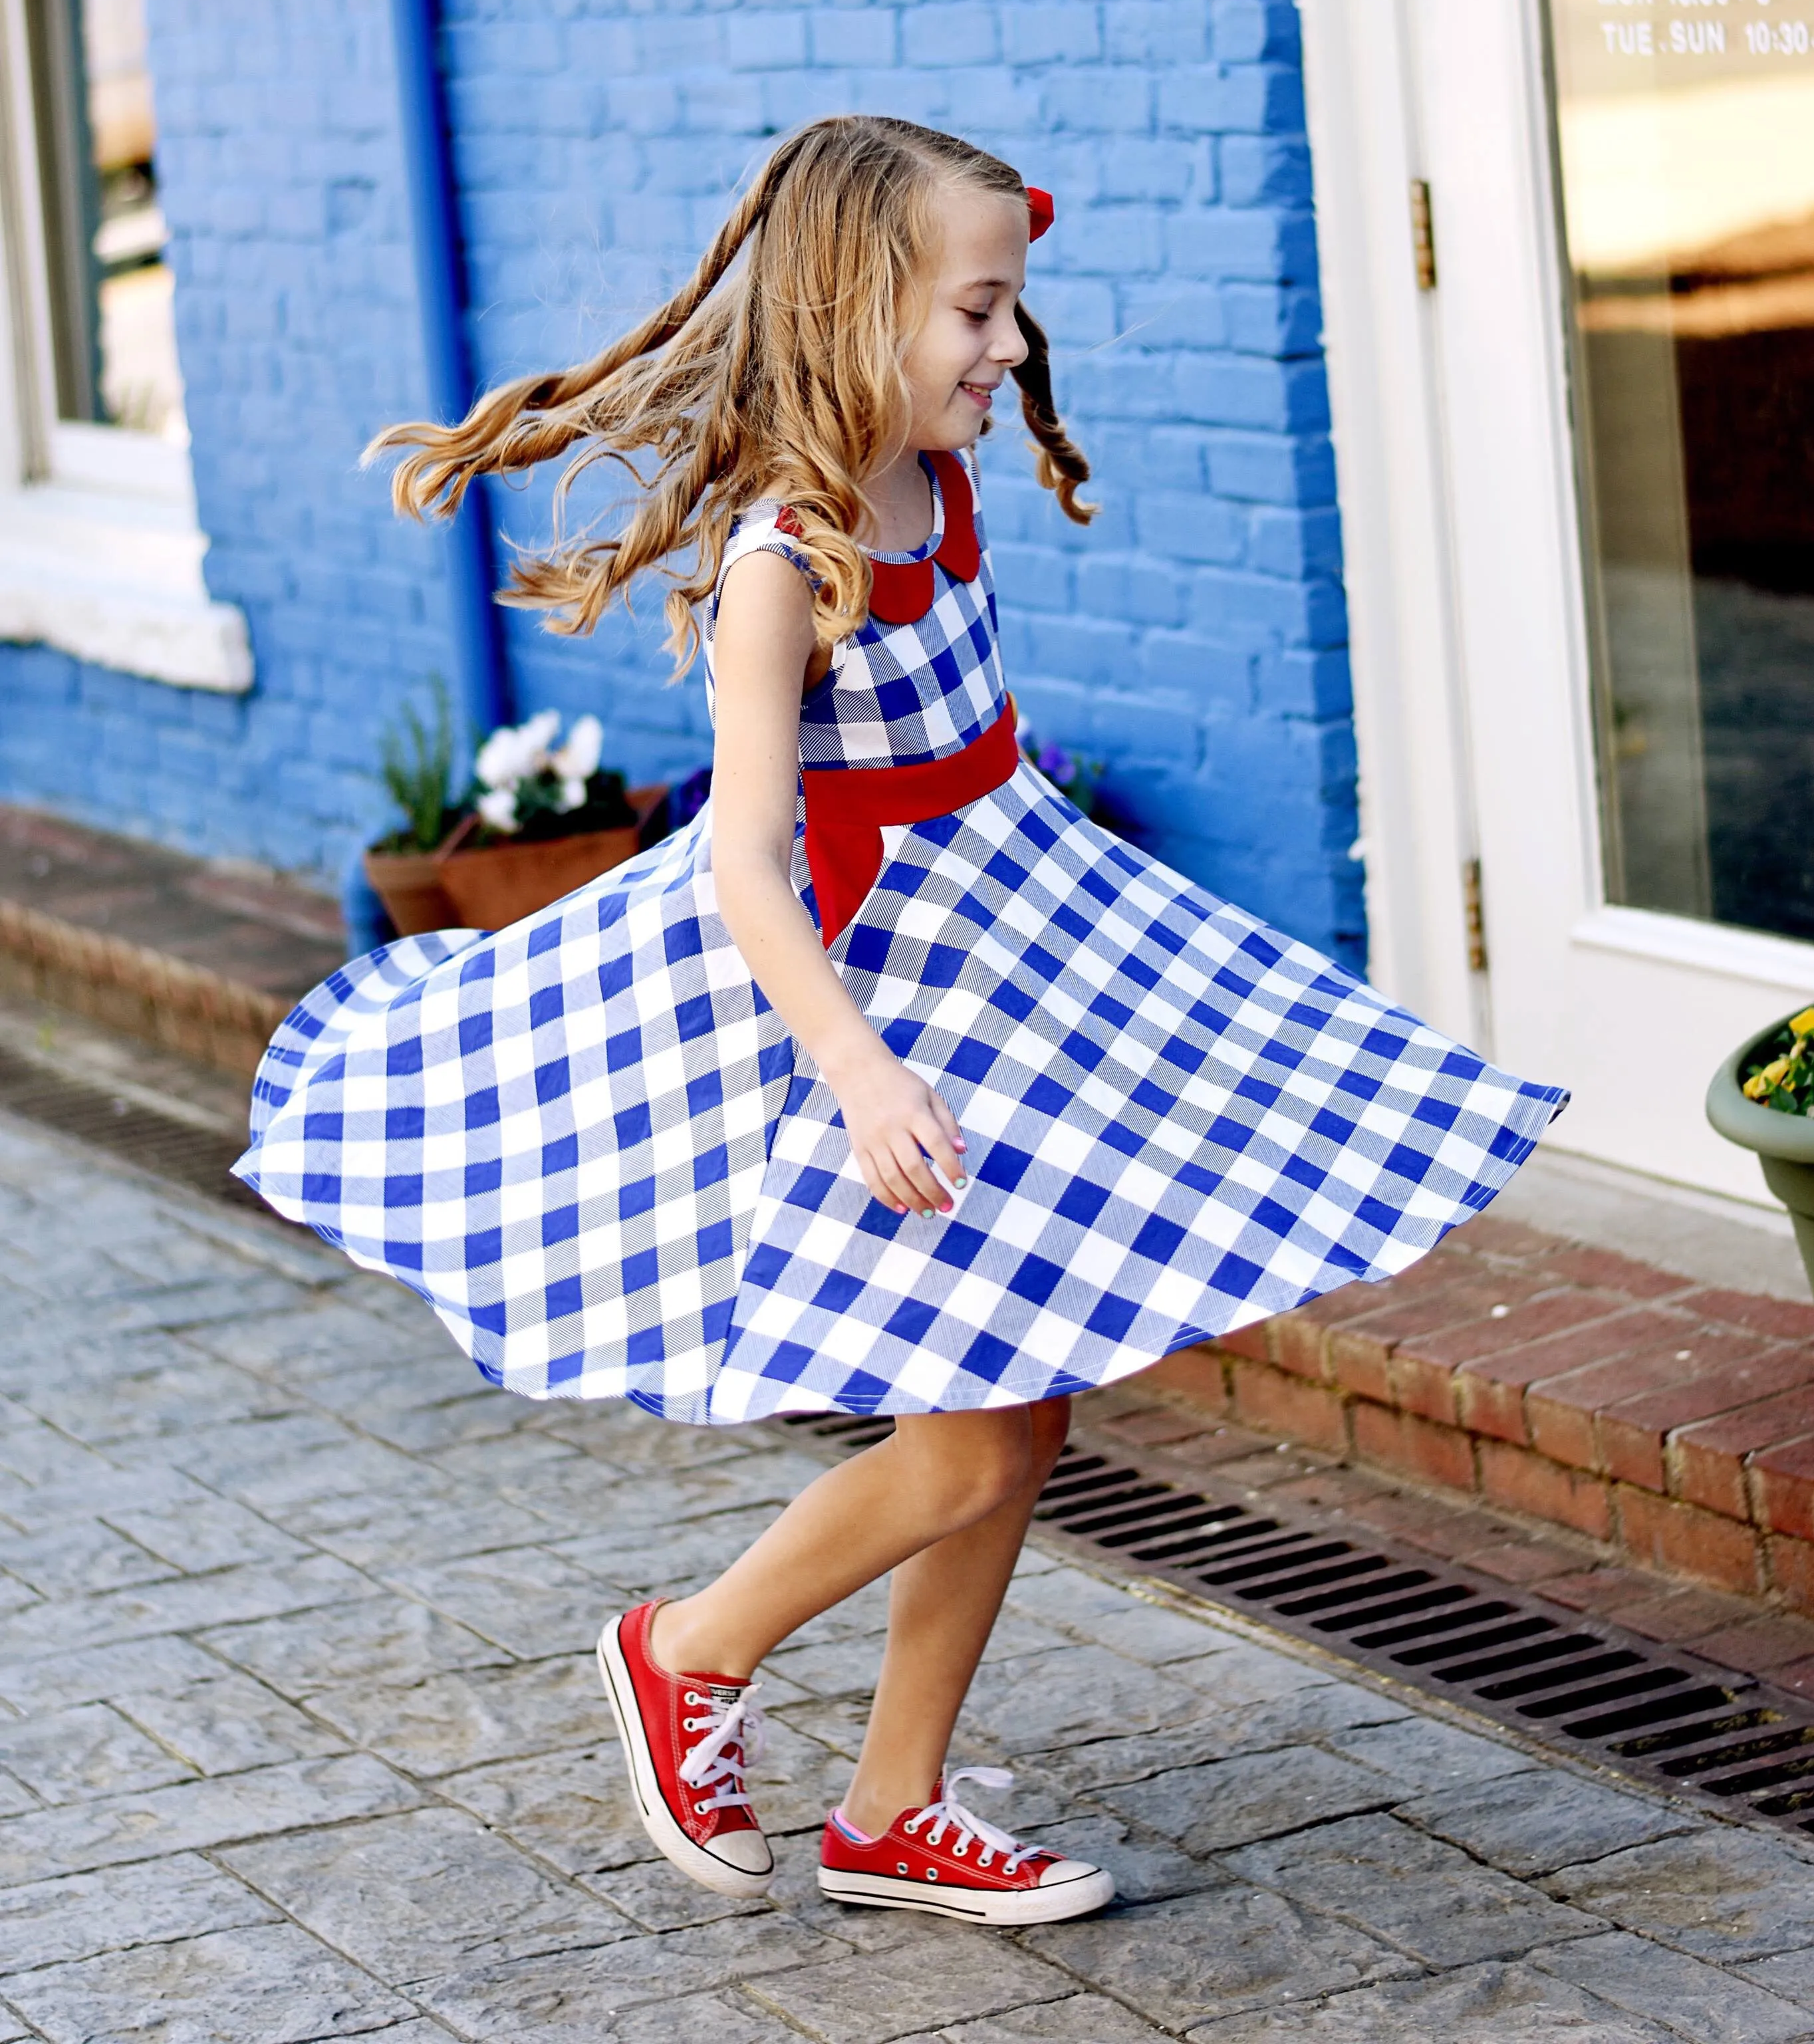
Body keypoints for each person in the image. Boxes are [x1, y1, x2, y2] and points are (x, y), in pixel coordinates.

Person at [236, 113, 1566, 1927]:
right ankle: (688, 1648)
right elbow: (745, 863)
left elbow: (968, 759)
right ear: (864, 308)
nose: (1007, 353)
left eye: (1012, 311)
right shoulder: (792, 554)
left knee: (1022, 1406)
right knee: (963, 1432)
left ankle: (892, 1802)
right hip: (858, 1008)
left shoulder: (939, 488)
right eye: (979, 314)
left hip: (1006, 948)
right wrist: (856, 1066)